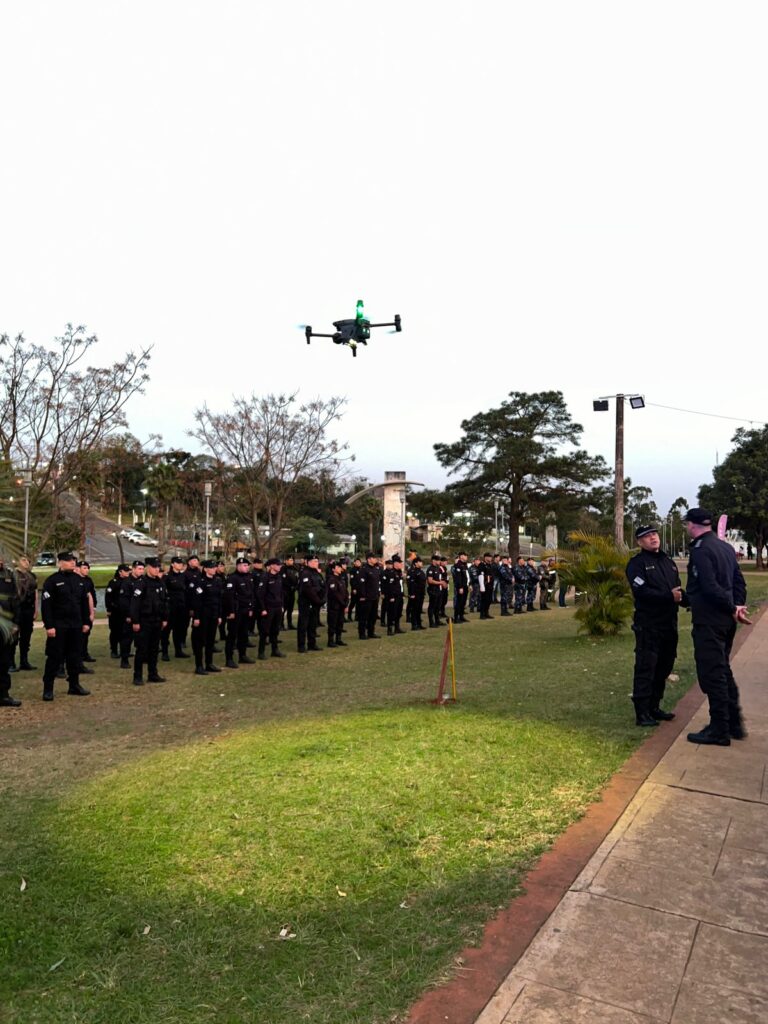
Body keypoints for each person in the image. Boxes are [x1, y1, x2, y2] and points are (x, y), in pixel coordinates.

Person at [684, 507, 749, 746]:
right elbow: (738, 582)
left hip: (710, 621)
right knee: (723, 670)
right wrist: (737, 606)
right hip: (725, 622)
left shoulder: (701, 550)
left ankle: (719, 729)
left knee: (713, 674)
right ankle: (734, 724)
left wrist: (732, 607)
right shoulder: (725, 547)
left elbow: (709, 587)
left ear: (692, 525)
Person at [625, 525, 683, 727]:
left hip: (669, 624)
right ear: (639, 542)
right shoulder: (637, 564)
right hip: (649, 626)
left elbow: (677, 590)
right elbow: (641, 592)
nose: (652, 538)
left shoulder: (668, 562)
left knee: (664, 667)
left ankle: (654, 707)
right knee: (646, 668)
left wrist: (688, 600)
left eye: (654, 534)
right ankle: (642, 713)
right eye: (646, 536)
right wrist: (670, 596)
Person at [40, 551, 91, 701]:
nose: (72, 562)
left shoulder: (79, 580)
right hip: (58, 626)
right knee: (54, 657)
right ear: (60, 562)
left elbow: (83, 604)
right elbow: (46, 606)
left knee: (74, 657)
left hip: (75, 625)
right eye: (68, 560)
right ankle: (48, 689)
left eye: (73, 560)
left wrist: (86, 622)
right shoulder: (52, 581)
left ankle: (74, 685)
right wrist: (49, 626)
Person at [130, 556, 169, 685]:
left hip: (157, 620)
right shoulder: (141, 583)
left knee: (154, 649)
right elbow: (135, 604)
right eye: (154, 567)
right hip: (144, 621)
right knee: (142, 650)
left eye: (158, 567)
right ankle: (138, 676)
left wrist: (164, 618)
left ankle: (153, 674)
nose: (157, 569)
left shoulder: (160, 582)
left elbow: (164, 602)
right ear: (148, 568)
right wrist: (135, 621)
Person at [189, 559, 224, 675]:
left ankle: (209, 663)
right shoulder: (200, 581)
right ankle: (199, 666)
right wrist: (197, 617)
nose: (215, 569)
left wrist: (219, 615)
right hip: (203, 615)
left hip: (213, 615)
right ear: (206, 569)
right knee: (200, 641)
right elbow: (196, 601)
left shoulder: (217, 581)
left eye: (215, 567)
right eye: (212, 567)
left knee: (210, 641)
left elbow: (219, 600)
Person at [223, 557, 256, 667]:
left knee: (244, 634)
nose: (247, 567)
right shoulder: (232, 578)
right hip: (236, 611)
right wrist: (231, 611)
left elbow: (251, 594)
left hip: (246, 610)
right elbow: (229, 597)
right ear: (238, 566)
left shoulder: (249, 577)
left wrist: (251, 608)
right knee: (232, 635)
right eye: (244, 566)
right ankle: (229, 658)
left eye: (247, 565)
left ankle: (243, 655)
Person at [255, 558, 286, 659]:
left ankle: (275, 650)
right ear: (272, 566)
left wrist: (281, 605)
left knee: (275, 630)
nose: (279, 566)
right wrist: (263, 609)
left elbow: (281, 593)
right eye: (277, 565)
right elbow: (260, 595)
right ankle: (261, 652)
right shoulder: (265, 577)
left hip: (277, 607)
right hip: (268, 608)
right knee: (265, 631)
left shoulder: (279, 577)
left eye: (280, 565)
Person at [0, 561, 21, 707]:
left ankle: (3, 695)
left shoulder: (8, 575)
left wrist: (16, 623)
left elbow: (16, 600)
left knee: (3, 662)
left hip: (7, 625)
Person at [162, 556, 191, 659]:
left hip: (181, 607)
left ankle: (178, 651)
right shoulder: (167, 577)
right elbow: (163, 594)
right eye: (178, 563)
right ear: (172, 564)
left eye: (181, 563)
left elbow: (187, 590)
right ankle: (164, 652)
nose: (180, 565)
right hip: (170, 608)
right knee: (166, 630)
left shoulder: (184, 576)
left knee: (178, 630)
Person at [297, 554, 325, 652]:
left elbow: (322, 586)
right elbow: (308, 589)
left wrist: (322, 599)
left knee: (313, 625)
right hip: (306, 603)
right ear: (308, 563)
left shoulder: (317, 573)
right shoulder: (305, 573)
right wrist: (317, 600)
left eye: (317, 561)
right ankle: (301, 646)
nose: (316, 563)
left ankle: (312, 644)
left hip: (315, 603)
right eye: (314, 561)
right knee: (303, 625)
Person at [14, 556, 37, 670]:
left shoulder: (31, 576)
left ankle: (24, 661)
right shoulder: (12, 575)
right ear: (17, 561)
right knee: (13, 637)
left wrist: (35, 609)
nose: (26, 562)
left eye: (28, 560)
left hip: (28, 609)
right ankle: (11, 662)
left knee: (26, 636)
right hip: (16, 609)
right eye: (23, 560)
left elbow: (35, 593)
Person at [105, 563, 130, 659]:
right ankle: (114, 650)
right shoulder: (114, 582)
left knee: (126, 632)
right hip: (115, 611)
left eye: (129, 571)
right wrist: (109, 609)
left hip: (125, 611)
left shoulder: (129, 582)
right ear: (120, 572)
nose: (128, 572)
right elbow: (108, 596)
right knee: (115, 631)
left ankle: (125, 651)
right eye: (126, 571)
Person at [356, 551, 382, 640]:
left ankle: (371, 632)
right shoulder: (364, 570)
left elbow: (377, 583)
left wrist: (378, 593)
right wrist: (363, 595)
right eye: (374, 558)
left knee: (373, 616)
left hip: (375, 596)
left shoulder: (376, 569)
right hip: (366, 597)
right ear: (369, 559)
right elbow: (361, 584)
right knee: (364, 616)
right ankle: (362, 633)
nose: (376, 559)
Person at [326, 560, 349, 647]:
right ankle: (330, 641)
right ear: (333, 569)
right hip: (334, 606)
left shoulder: (341, 579)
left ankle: (338, 639)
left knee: (340, 623)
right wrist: (343, 603)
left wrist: (346, 603)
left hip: (341, 606)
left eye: (340, 567)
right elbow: (335, 594)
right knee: (332, 624)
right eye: (338, 567)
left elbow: (346, 592)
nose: (340, 569)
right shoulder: (331, 579)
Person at [407, 556, 426, 629]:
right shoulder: (413, 572)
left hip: (421, 593)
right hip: (415, 594)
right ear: (416, 563)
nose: (421, 563)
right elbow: (411, 584)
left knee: (419, 609)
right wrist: (411, 594)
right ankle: (414, 625)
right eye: (420, 562)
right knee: (414, 609)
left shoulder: (421, 571)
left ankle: (419, 624)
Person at [280, 555, 298, 630]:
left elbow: (297, 578)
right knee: (283, 609)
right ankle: (281, 625)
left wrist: (295, 586)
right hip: (285, 592)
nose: (291, 561)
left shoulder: (295, 568)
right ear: (286, 561)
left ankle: (290, 624)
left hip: (292, 592)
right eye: (289, 560)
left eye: (292, 560)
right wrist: (290, 586)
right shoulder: (283, 569)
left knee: (290, 609)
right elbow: (283, 580)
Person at [451, 552, 470, 623]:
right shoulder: (458, 565)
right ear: (461, 556)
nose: (466, 557)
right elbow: (458, 578)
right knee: (459, 602)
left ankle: (461, 616)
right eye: (465, 556)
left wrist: (469, 584)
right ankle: (456, 618)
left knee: (463, 602)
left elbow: (467, 576)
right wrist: (460, 587)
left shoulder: (465, 565)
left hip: (465, 586)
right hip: (461, 587)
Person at [478, 553, 495, 619]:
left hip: (490, 585)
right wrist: (482, 586)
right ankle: (482, 614)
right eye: (489, 557)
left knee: (489, 600)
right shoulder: (482, 565)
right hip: (485, 585)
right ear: (485, 557)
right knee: (484, 600)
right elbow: (480, 575)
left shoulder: (489, 565)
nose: (490, 558)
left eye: (491, 557)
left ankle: (486, 612)